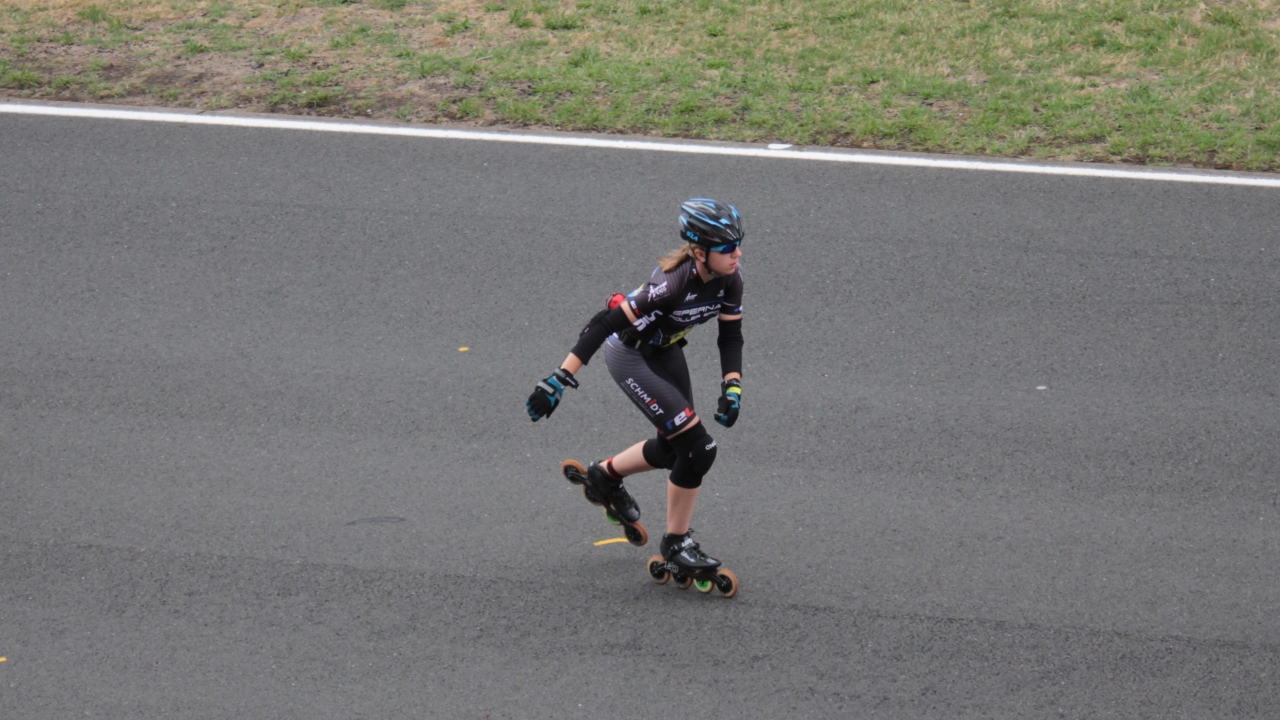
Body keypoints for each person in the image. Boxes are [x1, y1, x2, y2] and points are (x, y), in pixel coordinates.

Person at [526, 197, 745, 580]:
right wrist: (559, 379)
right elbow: (603, 324)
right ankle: (676, 544)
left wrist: (733, 387)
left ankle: (605, 475)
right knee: (698, 449)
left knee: (673, 448)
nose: (737, 254)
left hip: (665, 350)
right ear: (699, 253)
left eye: (738, 244)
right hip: (630, 356)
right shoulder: (670, 286)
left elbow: (731, 336)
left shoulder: (732, 279)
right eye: (728, 248)